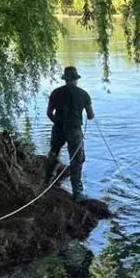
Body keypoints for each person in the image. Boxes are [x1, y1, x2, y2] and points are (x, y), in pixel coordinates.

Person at [44, 66, 94, 199]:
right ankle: (77, 193)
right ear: (76, 79)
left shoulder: (56, 93)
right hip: (75, 130)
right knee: (77, 159)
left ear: (65, 79)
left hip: (58, 128)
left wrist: (58, 123)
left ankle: (47, 181)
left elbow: (49, 113)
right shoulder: (84, 94)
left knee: (54, 153)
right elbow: (90, 115)